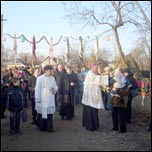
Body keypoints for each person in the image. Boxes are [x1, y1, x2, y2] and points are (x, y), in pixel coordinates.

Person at [82, 63, 105, 131]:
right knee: (90, 112)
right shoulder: (90, 74)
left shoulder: (94, 75)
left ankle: (94, 125)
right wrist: (105, 76)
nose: (97, 69)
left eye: (97, 68)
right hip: (89, 97)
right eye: (96, 68)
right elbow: (98, 80)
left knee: (94, 111)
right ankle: (90, 126)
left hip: (93, 96)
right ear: (92, 69)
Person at [35, 65, 58, 132]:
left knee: (49, 114)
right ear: (45, 71)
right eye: (49, 71)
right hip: (42, 100)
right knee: (42, 114)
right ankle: (42, 127)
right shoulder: (40, 78)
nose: (50, 72)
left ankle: (49, 128)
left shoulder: (52, 78)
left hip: (50, 99)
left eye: (51, 71)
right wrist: (38, 98)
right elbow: (37, 89)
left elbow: (56, 87)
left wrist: (54, 89)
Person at [110, 68, 129, 133]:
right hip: (115, 98)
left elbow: (128, 87)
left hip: (122, 98)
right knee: (114, 114)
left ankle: (122, 129)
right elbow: (109, 83)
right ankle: (115, 127)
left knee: (121, 115)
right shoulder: (114, 78)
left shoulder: (125, 79)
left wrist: (119, 90)